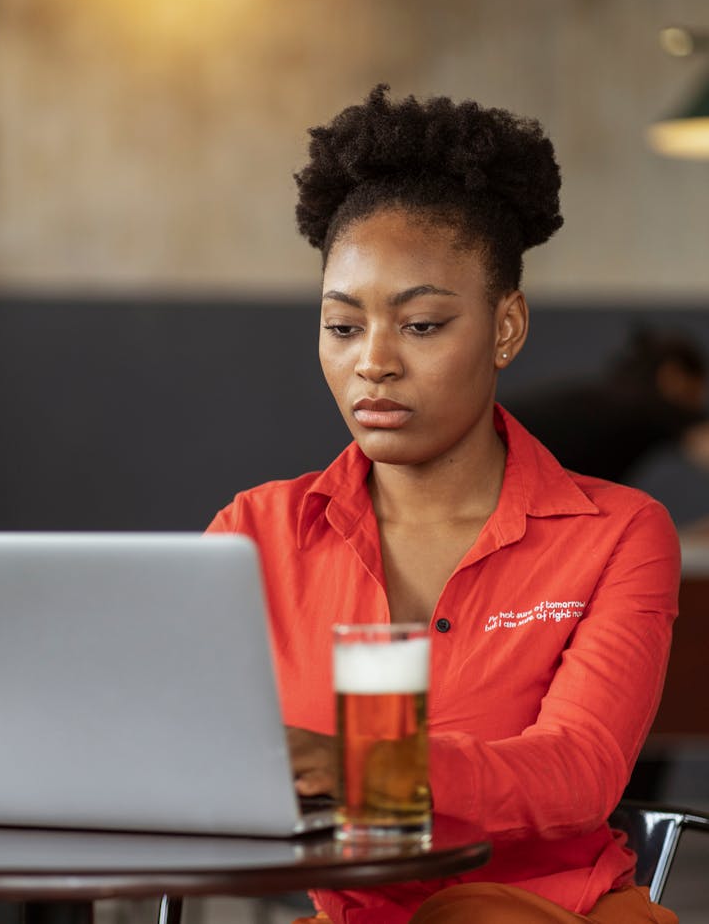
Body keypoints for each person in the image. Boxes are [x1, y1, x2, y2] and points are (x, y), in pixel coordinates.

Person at [207, 85, 680, 924]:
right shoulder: (254, 534)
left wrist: (366, 768)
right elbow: (179, 754)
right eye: (344, 326)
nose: (374, 363)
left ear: (505, 327)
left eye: (421, 325)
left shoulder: (616, 534)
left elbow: (579, 770)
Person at [504, 325, 709, 484]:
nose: (697, 403)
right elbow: (700, 438)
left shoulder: (610, 401)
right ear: (674, 377)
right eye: (693, 393)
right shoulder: (639, 408)